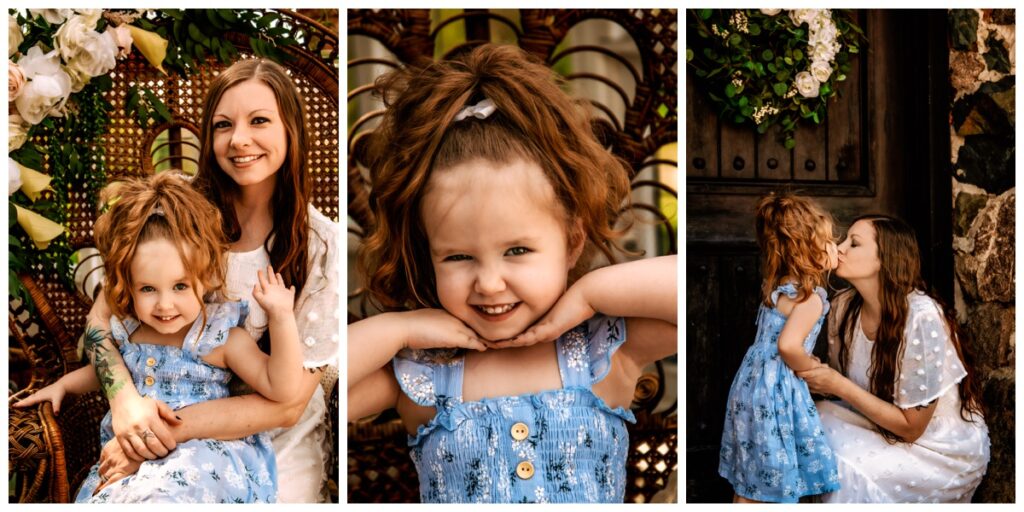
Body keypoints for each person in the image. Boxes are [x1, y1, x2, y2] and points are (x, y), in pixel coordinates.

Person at [347, 44, 677, 503]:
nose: (489, 283)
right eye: (458, 257)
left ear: (572, 241)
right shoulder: (420, 374)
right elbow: (308, 395)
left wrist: (590, 293)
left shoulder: (603, 351)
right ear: (428, 256)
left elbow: (689, 290)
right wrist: (400, 328)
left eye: (517, 250)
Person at [52, 58, 339, 502]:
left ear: (292, 131)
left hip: (266, 431)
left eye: (259, 121)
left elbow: (287, 404)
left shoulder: (322, 245)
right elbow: (100, 320)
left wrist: (155, 438)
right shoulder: (179, 210)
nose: (239, 139)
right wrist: (126, 402)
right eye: (224, 125)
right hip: (147, 410)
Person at [16, 172, 301, 502]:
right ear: (127, 287)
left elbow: (281, 387)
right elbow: (105, 373)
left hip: (202, 456)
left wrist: (281, 319)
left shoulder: (218, 337)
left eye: (180, 286)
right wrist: (64, 385)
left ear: (206, 278)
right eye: (148, 289)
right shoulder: (130, 332)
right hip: (131, 456)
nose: (165, 305)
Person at [797, 215, 990, 502]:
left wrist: (835, 384)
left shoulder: (922, 317)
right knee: (804, 425)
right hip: (876, 425)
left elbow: (911, 428)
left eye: (854, 243)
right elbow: (843, 391)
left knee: (840, 465)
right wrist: (816, 378)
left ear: (885, 259)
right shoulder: (843, 307)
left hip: (936, 450)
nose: (840, 247)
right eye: (844, 239)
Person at [718, 194, 841, 503]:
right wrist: (809, 367)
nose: (836, 246)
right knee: (774, 470)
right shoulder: (810, 298)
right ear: (808, 248)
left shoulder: (780, 286)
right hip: (776, 392)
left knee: (752, 474)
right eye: (829, 240)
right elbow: (787, 346)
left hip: (750, 386)